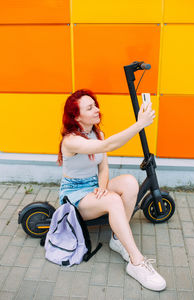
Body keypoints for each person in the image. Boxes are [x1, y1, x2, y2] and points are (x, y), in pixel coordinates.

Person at [57, 89, 166, 291]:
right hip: (74, 195)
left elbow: (103, 167)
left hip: (93, 186)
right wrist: (139, 124)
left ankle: (118, 239)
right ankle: (136, 261)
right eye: (90, 108)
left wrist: (101, 187)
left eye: (96, 104)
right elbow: (108, 145)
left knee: (130, 182)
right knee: (114, 200)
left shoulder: (97, 133)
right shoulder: (71, 141)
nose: (97, 109)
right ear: (76, 115)